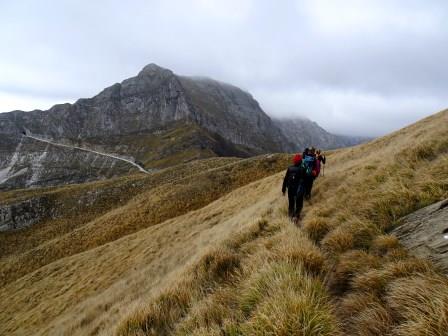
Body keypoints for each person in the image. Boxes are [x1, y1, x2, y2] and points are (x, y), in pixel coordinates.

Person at [282, 153, 307, 223]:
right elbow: (305, 180)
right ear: (300, 161)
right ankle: (296, 217)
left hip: (290, 189)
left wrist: (283, 189)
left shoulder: (289, 168)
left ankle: (290, 216)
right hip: (299, 190)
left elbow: (285, 179)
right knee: (299, 204)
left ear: (294, 161)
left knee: (291, 204)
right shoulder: (302, 169)